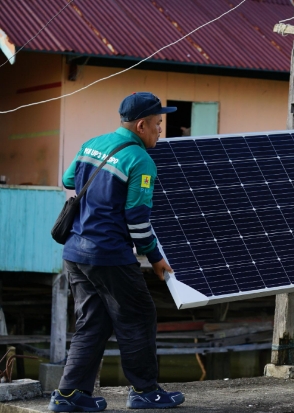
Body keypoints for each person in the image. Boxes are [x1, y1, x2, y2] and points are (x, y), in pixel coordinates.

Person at [49, 92, 185, 411]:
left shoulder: (92, 143)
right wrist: (155, 259)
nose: (160, 131)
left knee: (93, 321)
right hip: (108, 254)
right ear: (141, 125)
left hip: (75, 252)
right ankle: (144, 391)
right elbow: (137, 221)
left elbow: (68, 179)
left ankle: (69, 395)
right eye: (157, 124)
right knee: (138, 315)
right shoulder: (140, 160)